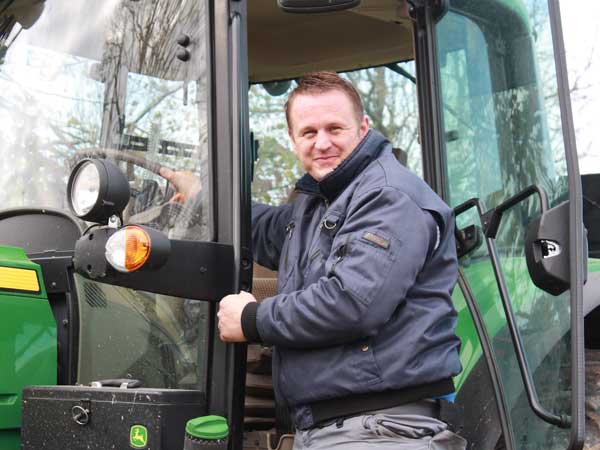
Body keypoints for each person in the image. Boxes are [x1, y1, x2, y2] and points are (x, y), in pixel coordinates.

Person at [166, 72, 465, 450]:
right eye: (308, 133)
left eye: (334, 128)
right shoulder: (317, 203)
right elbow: (260, 227)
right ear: (293, 140)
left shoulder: (387, 196)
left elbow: (353, 303)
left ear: (363, 127)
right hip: (333, 427)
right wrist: (201, 197)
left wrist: (252, 318)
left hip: (380, 429)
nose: (322, 143)